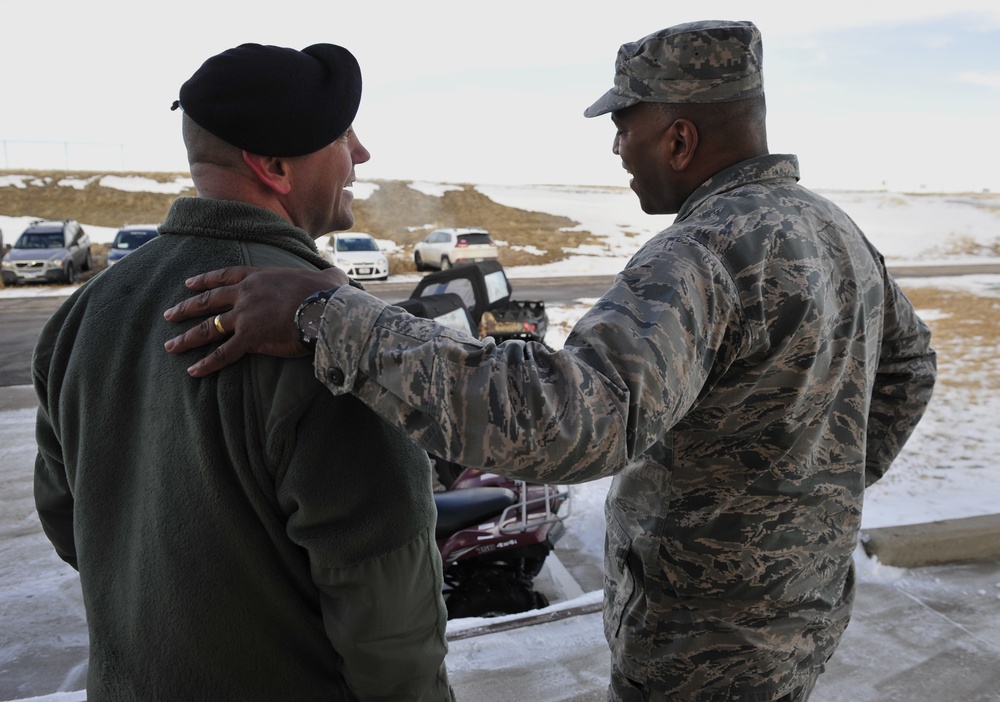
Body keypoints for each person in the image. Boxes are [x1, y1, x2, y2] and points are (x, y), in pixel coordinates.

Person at [162, 21, 937, 702]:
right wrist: (801, 504)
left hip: (702, 645)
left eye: (624, 124)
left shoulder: (702, 253)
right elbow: (911, 368)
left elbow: (568, 424)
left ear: (679, 138)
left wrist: (329, 318)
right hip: (799, 612)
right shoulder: (831, 229)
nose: (615, 145)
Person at [33, 42, 454, 701]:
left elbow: (70, 518)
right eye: (342, 135)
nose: (361, 154)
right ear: (276, 168)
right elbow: (387, 611)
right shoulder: (325, 333)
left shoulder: (85, 312)